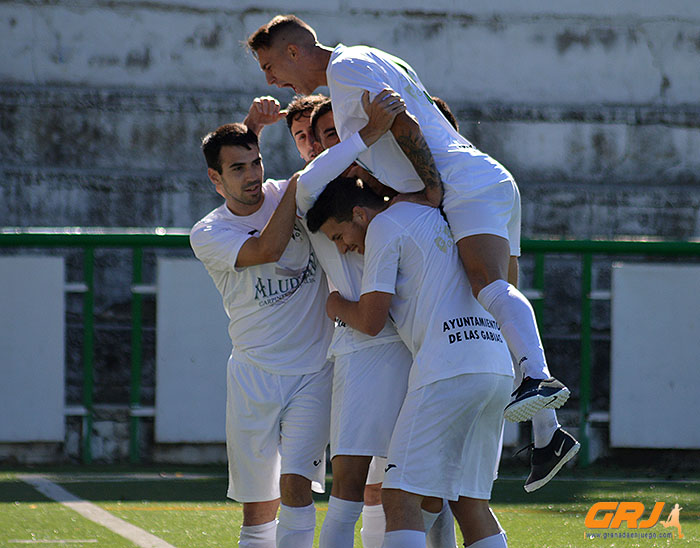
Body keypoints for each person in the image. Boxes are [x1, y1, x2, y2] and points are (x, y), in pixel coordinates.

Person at [246, 14, 578, 488]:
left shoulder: (345, 69)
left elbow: (402, 123)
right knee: (496, 303)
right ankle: (548, 433)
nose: (271, 79)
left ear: (293, 51)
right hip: (484, 179)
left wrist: (430, 188)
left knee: (488, 285)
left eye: (269, 65)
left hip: (463, 185)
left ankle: (540, 381)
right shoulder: (371, 56)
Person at [246, 90, 457, 547]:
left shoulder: (379, 190)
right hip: (362, 348)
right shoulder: (307, 192)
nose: (315, 144)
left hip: (417, 346)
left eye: (326, 133)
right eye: (304, 137)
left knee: (426, 488)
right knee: (350, 488)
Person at [305, 177, 514, 548]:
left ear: (359, 214)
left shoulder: (385, 224)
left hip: (447, 370)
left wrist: (335, 305)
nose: (344, 248)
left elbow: (370, 321)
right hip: (496, 364)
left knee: (399, 496)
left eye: (339, 237)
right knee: (471, 502)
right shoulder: (442, 212)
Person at [190, 122, 334, 548]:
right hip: (253, 375)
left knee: (296, 487)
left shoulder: (284, 190)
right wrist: (293, 187)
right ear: (215, 179)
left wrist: (255, 129)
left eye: (257, 162)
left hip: (314, 370)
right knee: (257, 508)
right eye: (238, 169)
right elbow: (266, 250)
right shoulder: (208, 232)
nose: (253, 175)